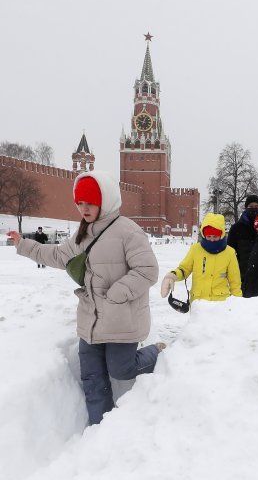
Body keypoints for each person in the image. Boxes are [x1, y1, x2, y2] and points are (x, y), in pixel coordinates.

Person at [7, 171, 163, 425]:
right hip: (90, 321)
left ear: (106, 200)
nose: (84, 208)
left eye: (90, 202)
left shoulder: (128, 231)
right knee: (92, 378)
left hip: (121, 320)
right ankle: (99, 428)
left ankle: (156, 352)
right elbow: (58, 256)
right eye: (80, 203)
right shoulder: (83, 233)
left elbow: (148, 271)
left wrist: (117, 293)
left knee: (121, 370)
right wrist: (24, 245)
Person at [161, 213, 242, 302]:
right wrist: (172, 275)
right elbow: (184, 269)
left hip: (220, 305)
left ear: (221, 235)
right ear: (204, 235)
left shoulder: (229, 252)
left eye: (215, 236)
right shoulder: (195, 249)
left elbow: (235, 282)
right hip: (198, 305)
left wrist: (237, 304)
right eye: (209, 236)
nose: (211, 239)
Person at [227, 194, 258, 279]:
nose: (254, 208)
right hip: (242, 274)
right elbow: (230, 251)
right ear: (246, 207)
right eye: (251, 206)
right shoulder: (236, 228)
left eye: (256, 206)